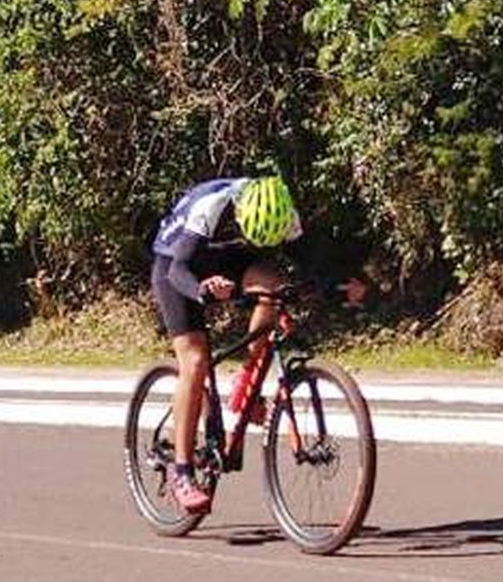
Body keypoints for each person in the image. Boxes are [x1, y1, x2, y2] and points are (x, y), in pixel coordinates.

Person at [150, 175, 363, 514]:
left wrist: (339, 285)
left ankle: (246, 383)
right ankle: (183, 472)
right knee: (195, 361)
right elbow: (179, 269)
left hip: (232, 263)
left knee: (277, 287)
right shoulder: (210, 207)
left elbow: (310, 262)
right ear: (238, 216)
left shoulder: (284, 214)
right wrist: (201, 290)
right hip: (179, 265)